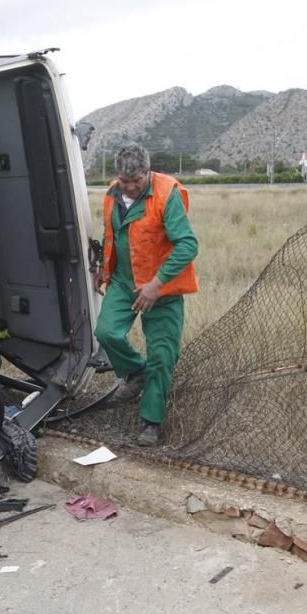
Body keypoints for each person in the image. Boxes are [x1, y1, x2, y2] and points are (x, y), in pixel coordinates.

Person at [94, 143, 199, 447]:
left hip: (162, 289)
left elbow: (188, 245)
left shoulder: (168, 194)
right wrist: (104, 268)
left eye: (136, 181)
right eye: (124, 181)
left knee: (162, 357)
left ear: (147, 172)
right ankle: (135, 371)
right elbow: (111, 233)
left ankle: (150, 422)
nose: (129, 187)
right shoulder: (112, 195)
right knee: (106, 332)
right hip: (125, 282)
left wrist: (157, 284)